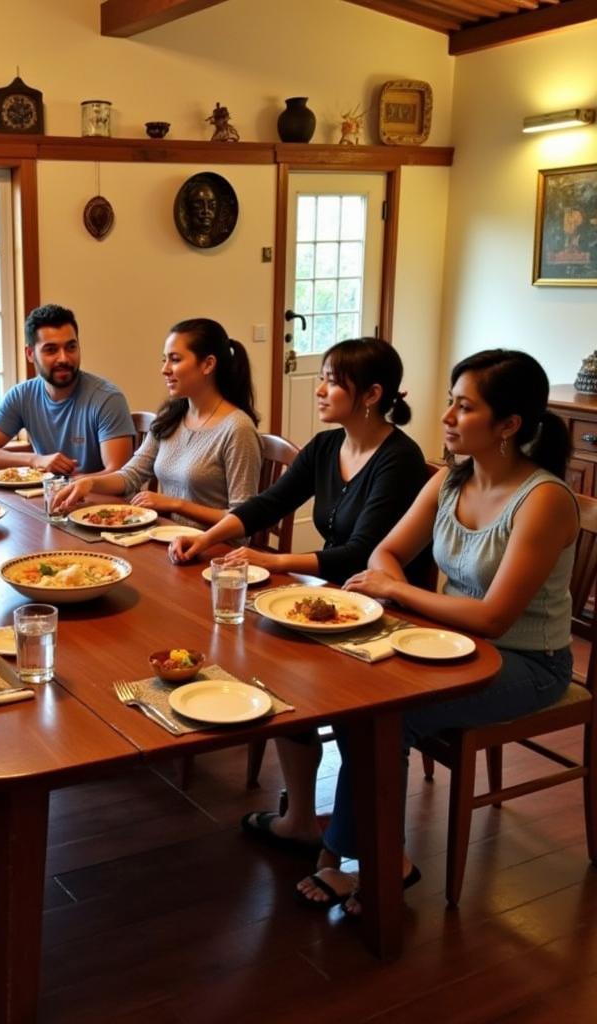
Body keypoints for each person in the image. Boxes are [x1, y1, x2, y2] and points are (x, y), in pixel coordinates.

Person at [299, 349, 576, 912]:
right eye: (450, 401)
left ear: (509, 425)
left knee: (389, 715)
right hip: (451, 643)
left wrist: (398, 592)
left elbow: (496, 618)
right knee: (348, 691)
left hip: (528, 662)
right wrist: (394, 583)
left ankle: (379, 859)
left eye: (464, 406)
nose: (447, 416)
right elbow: (386, 551)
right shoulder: (452, 480)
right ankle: (348, 843)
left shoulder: (543, 500)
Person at [169, 338, 428, 850]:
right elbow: (270, 502)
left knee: (287, 673)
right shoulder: (329, 446)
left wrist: (273, 561)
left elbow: (360, 553)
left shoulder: (400, 459)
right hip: (337, 603)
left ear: (372, 394)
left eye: (333, 380)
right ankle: (302, 819)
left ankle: (340, 840)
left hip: (389, 612)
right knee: (271, 672)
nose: (322, 389)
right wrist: (209, 537)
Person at [51, 318, 261, 530]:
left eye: (175, 360)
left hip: (215, 552)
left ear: (208, 364)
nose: (165, 369)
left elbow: (244, 518)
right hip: (167, 539)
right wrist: (90, 483)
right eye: (164, 360)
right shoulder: (171, 418)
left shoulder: (237, 429)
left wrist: (176, 504)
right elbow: (131, 475)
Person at [0, 304, 135, 476]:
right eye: (51, 350)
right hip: (46, 498)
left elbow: (120, 475)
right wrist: (34, 460)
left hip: (101, 501)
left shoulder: (107, 399)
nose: (63, 358)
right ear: (30, 354)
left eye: (71, 347)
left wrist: (67, 486)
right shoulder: (21, 396)